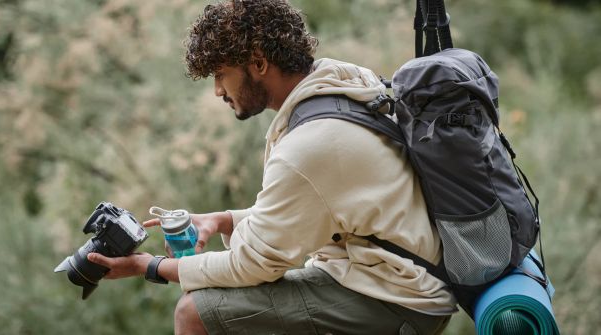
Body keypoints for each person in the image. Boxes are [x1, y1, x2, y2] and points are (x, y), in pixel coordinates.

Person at [88, 1, 456, 334]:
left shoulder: (309, 146)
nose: (218, 91)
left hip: (398, 300)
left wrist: (149, 267)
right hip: (391, 277)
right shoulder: (340, 87)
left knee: (194, 312)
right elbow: (312, 210)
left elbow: (251, 265)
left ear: (259, 64)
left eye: (221, 74)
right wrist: (225, 220)